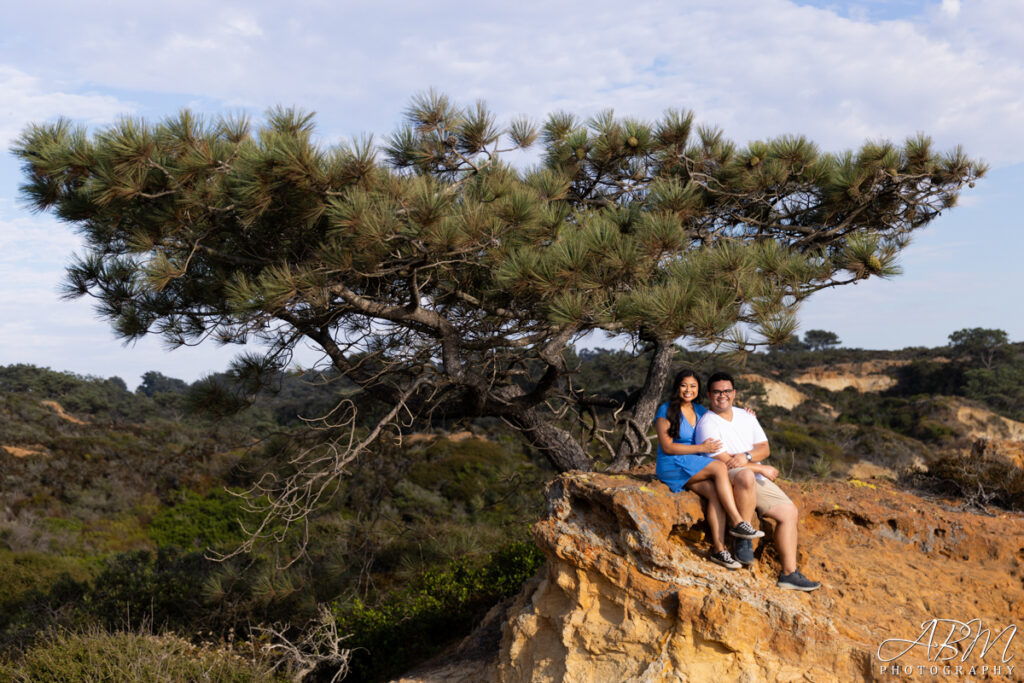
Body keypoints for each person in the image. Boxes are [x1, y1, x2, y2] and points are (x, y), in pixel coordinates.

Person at [694, 371, 821, 591]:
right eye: (717, 391)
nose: (722, 395)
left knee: (789, 512)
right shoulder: (708, 423)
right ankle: (742, 537)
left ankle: (789, 574)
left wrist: (748, 457)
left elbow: (764, 448)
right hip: (726, 475)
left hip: (754, 475)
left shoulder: (745, 415)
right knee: (744, 475)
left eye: (726, 391)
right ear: (708, 394)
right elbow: (724, 461)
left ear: (734, 393)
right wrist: (756, 466)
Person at [654, 369, 764, 570]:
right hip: (672, 464)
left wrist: (747, 413)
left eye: (693, 386)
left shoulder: (700, 411)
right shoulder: (665, 409)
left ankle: (718, 549)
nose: (688, 390)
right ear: (677, 387)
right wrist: (700, 448)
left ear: (698, 390)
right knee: (719, 467)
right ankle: (738, 521)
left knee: (715, 494)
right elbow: (668, 447)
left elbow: (723, 412)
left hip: (692, 464)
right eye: (684, 385)